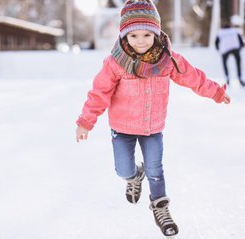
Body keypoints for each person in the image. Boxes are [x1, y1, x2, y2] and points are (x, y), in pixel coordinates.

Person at [75, 0, 230, 237]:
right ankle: (135, 176)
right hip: (122, 128)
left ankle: (161, 207)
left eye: (147, 34)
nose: (141, 41)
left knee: (156, 169)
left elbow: (193, 78)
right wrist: (86, 121)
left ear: (157, 32)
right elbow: (99, 93)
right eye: (134, 35)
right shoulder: (115, 63)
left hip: (152, 127)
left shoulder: (167, 60)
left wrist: (216, 92)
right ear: (124, 36)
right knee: (123, 171)